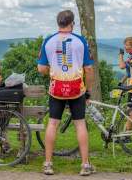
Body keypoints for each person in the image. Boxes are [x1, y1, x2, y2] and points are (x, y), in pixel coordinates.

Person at [37, 10, 95, 176]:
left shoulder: (48, 41)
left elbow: (41, 68)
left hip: (56, 88)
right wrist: (88, 91)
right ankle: (85, 165)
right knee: (80, 124)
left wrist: (51, 70)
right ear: (72, 23)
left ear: (58, 23)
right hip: (77, 88)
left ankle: (48, 163)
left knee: (53, 123)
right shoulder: (80, 41)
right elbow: (89, 68)